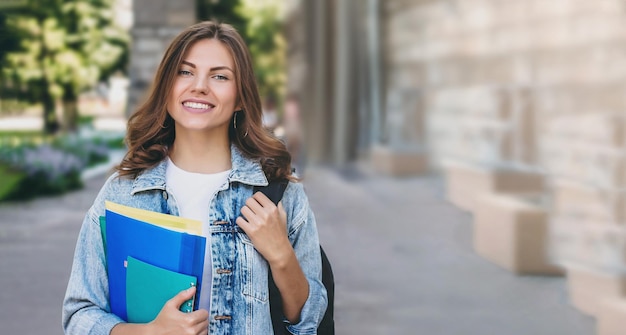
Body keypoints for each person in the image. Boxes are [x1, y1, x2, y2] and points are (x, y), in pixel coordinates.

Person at [62, 21, 327, 335]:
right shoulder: (123, 193)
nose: (199, 86)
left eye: (219, 76)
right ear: (167, 87)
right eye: (185, 72)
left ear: (241, 97)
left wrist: (282, 256)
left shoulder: (280, 195)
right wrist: (148, 332)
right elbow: (78, 315)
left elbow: (310, 324)